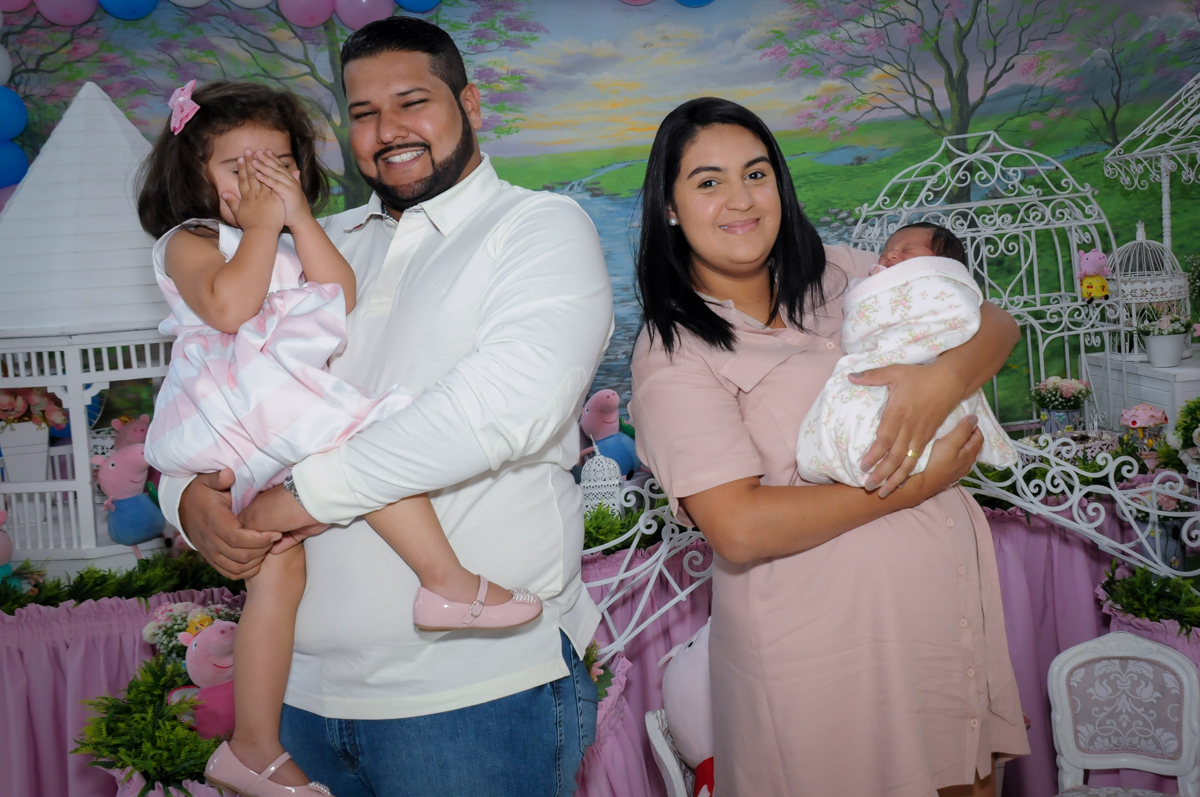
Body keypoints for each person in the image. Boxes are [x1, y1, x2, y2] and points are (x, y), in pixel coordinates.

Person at [155, 18, 612, 797]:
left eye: (412, 102)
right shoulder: (300, 247)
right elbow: (212, 393)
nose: (388, 129)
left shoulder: (536, 227)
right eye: (363, 113)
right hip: (301, 696)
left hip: (472, 698)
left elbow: (505, 409)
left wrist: (292, 500)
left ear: (468, 102)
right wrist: (188, 502)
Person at [629, 98, 1030, 796]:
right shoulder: (674, 352)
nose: (740, 199)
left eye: (756, 173)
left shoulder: (840, 274)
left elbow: (993, 320)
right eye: (708, 181)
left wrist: (942, 383)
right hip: (824, 657)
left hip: (940, 626)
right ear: (669, 205)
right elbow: (740, 527)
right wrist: (913, 484)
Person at [795, 221, 1019, 488]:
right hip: (876, 366)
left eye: (906, 250)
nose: (890, 255)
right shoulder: (873, 278)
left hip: (925, 365)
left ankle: (883, 457)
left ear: (940, 266)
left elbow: (998, 322)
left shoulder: (855, 265)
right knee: (857, 403)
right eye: (887, 250)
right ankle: (852, 456)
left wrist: (945, 379)